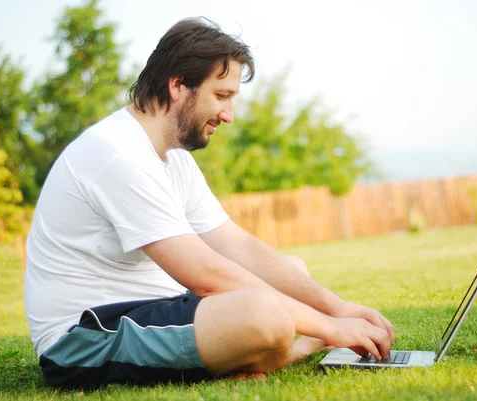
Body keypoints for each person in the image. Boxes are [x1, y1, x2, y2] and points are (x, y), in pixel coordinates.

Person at [24, 17, 395, 390]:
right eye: (221, 96)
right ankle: (287, 347)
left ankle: (269, 348)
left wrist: (339, 308)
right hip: (84, 339)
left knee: (290, 270)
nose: (229, 115)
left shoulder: (175, 160)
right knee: (265, 314)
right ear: (178, 86)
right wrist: (329, 326)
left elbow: (237, 246)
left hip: (152, 312)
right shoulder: (116, 154)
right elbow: (207, 275)